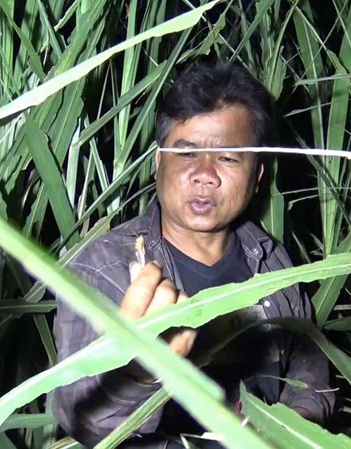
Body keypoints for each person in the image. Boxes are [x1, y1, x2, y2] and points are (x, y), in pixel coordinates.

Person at [51, 58, 334, 448]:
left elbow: (311, 374)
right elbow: (81, 418)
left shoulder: (271, 261)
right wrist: (142, 371)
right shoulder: (103, 267)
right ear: (158, 163)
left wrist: (291, 427)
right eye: (186, 154)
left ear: (257, 177)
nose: (205, 174)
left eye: (229, 158)